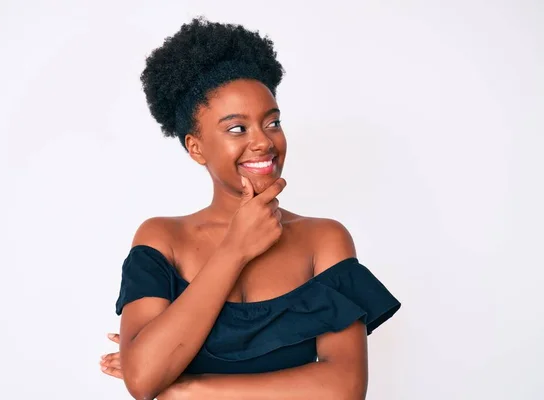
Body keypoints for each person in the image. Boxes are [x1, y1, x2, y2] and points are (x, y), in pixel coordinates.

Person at [99, 17, 401, 399]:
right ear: (196, 147)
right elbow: (143, 380)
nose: (264, 142)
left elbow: (344, 388)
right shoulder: (162, 239)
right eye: (237, 129)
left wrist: (186, 388)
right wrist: (235, 249)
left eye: (272, 122)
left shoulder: (324, 239)